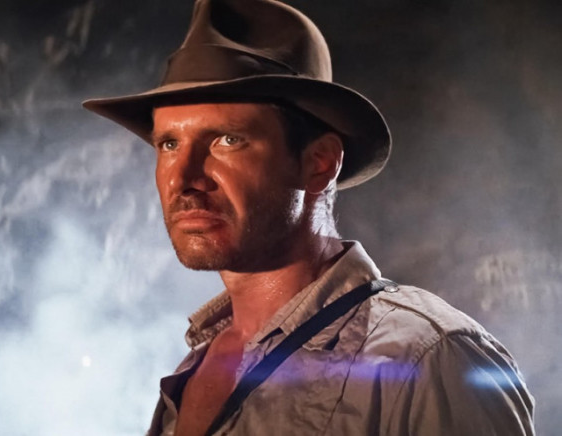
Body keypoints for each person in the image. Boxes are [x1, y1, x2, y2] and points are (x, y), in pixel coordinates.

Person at [83, 0, 536, 435]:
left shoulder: (429, 356)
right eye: (169, 144)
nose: (183, 178)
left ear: (319, 163)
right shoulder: (194, 367)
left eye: (227, 140)